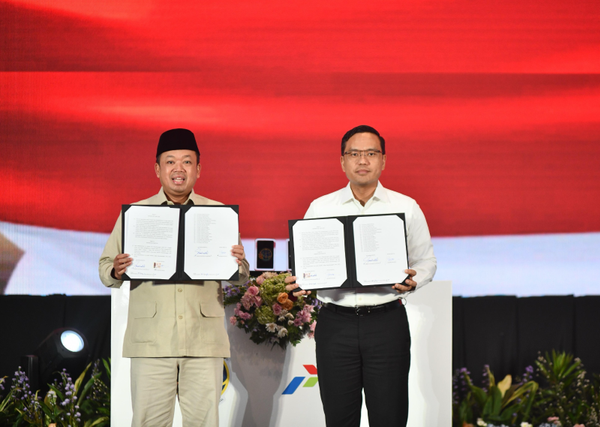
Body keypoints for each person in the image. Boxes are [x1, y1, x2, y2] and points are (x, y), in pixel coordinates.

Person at [286, 125, 437, 427]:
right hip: (335, 325)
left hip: (386, 323)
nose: (363, 161)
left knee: (389, 416)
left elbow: (426, 261)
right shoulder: (320, 208)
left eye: (371, 153)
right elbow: (304, 264)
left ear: (383, 160)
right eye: (354, 154)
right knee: (339, 418)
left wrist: (413, 280)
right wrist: (301, 282)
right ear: (343, 162)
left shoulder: (406, 206)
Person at [99, 128, 249, 427]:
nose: (178, 169)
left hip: (202, 340)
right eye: (170, 162)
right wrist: (117, 269)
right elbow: (106, 270)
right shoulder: (137, 214)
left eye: (187, 162)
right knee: (148, 422)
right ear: (157, 169)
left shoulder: (218, 214)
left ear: (198, 169)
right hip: (151, 341)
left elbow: (240, 277)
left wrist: (240, 263)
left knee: (204, 423)